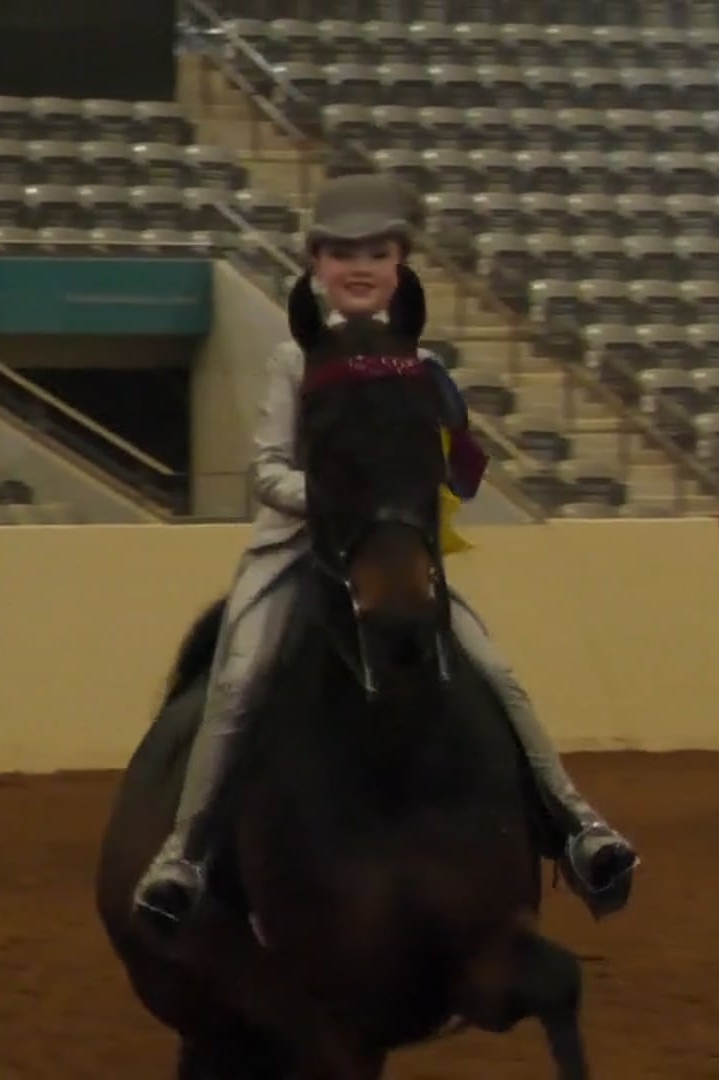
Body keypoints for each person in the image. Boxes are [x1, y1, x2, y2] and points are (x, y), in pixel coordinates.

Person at [131, 173, 640, 929]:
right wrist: (338, 501)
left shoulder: (420, 365)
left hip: (391, 551)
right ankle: (185, 855)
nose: (360, 267)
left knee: (494, 671)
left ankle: (577, 825)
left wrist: (405, 497)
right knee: (239, 682)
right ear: (316, 263)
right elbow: (267, 470)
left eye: (377, 253)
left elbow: (447, 463)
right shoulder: (295, 360)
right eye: (343, 254)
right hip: (298, 551)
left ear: (400, 264)